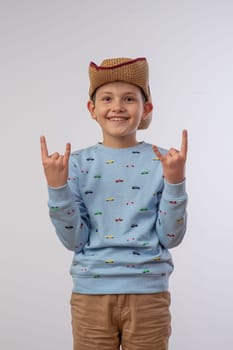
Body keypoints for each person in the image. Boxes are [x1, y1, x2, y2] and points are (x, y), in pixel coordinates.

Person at [40, 57, 188, 350]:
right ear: (92, 109)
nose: (118, 106)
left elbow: (171, 237)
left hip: (149, 295)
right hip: (91, 294)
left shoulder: (165, 161)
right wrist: (57, 188)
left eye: (129, 98)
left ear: (146, 109)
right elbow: (74, 240)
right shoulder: (77, 164)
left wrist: (175, 182)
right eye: (107, 98)